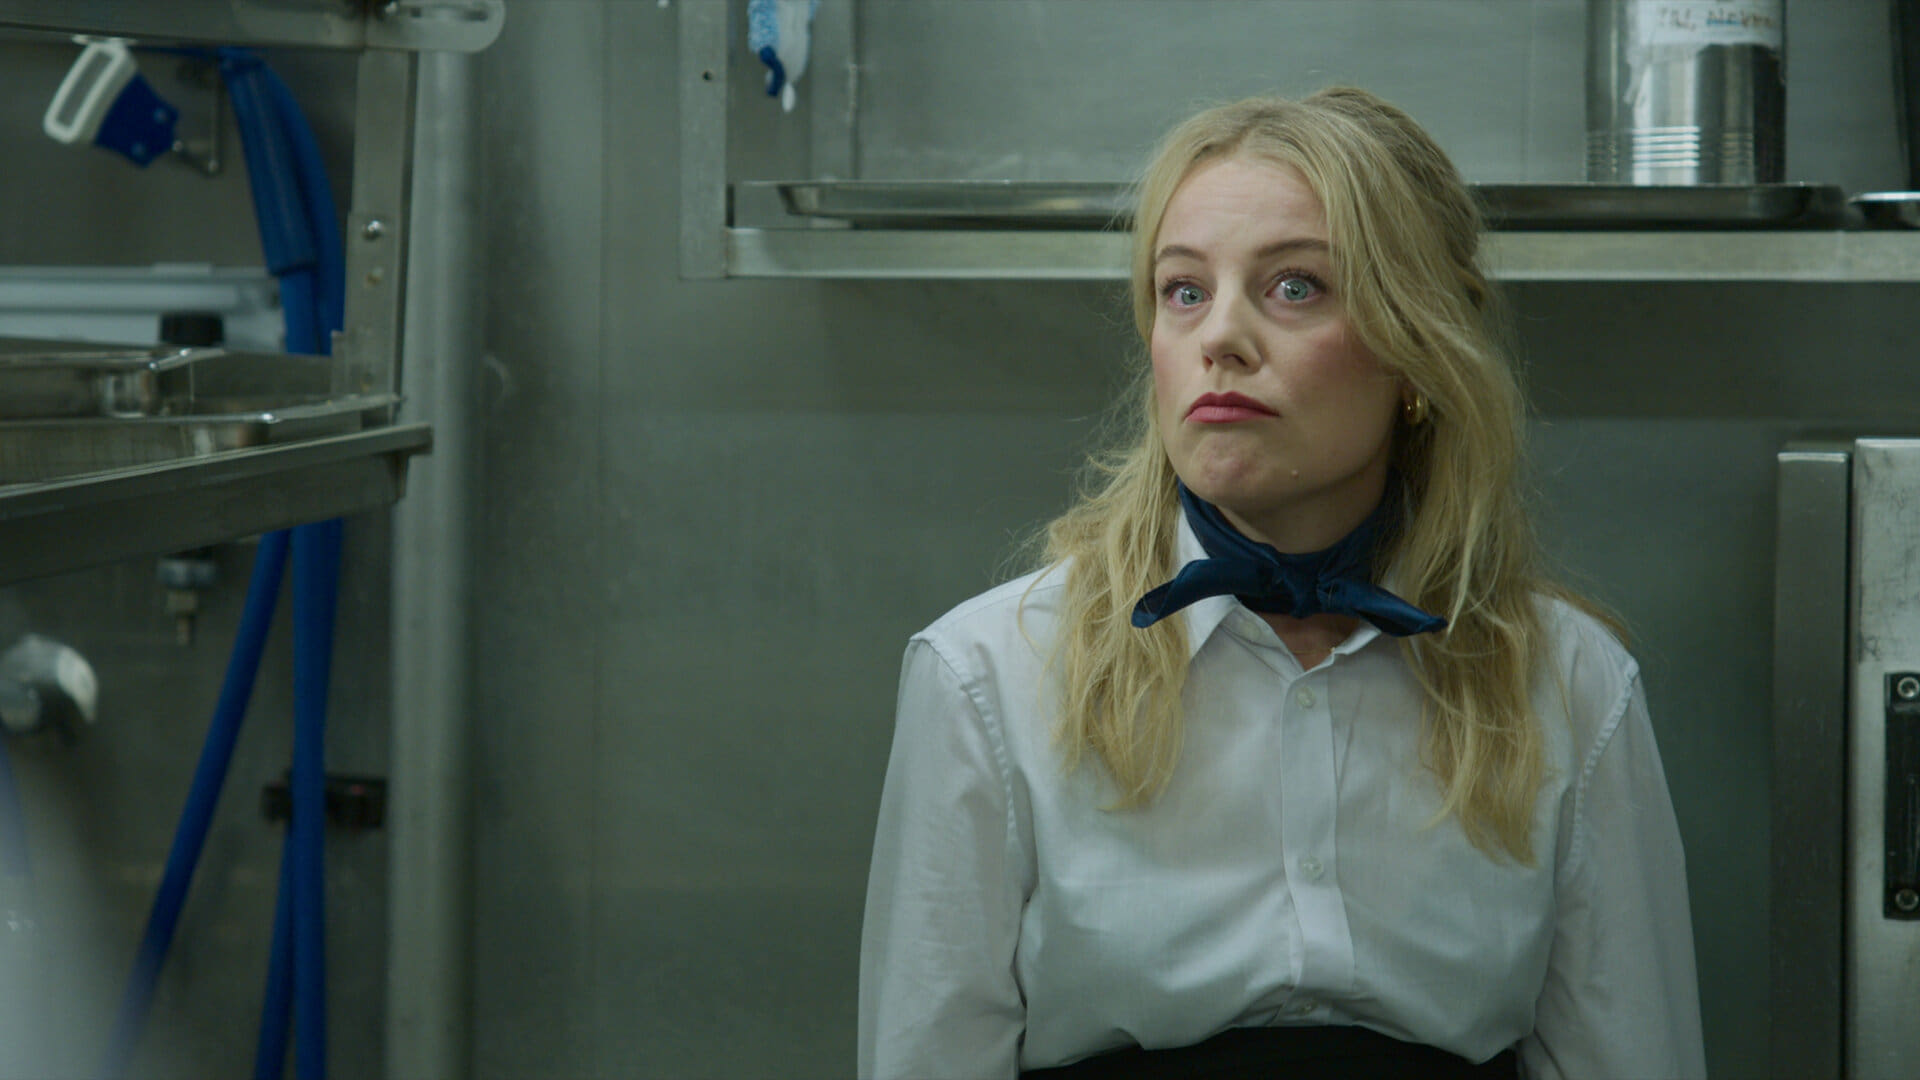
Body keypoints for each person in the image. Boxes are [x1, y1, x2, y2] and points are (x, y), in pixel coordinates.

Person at [857, 87, 1705, 1080]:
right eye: (1184, 291)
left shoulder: (1570, 682)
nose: (1219, 337)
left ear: (1418, 351)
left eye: (1295, 287)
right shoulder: (989, 674)